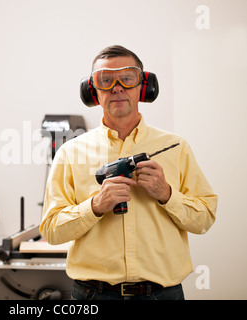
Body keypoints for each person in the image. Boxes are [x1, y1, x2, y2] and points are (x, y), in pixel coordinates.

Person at [39, 45, 218, 300]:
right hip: (93, 295)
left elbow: (205, 219)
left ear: (144, 87)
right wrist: (95, 206)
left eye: (127, 78)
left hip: (163, 294)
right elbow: (51, 230)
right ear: (92, 91)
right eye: (106, 80)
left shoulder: (177, 148)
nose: (117, 87)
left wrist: (167, 194)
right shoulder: (70, 153)